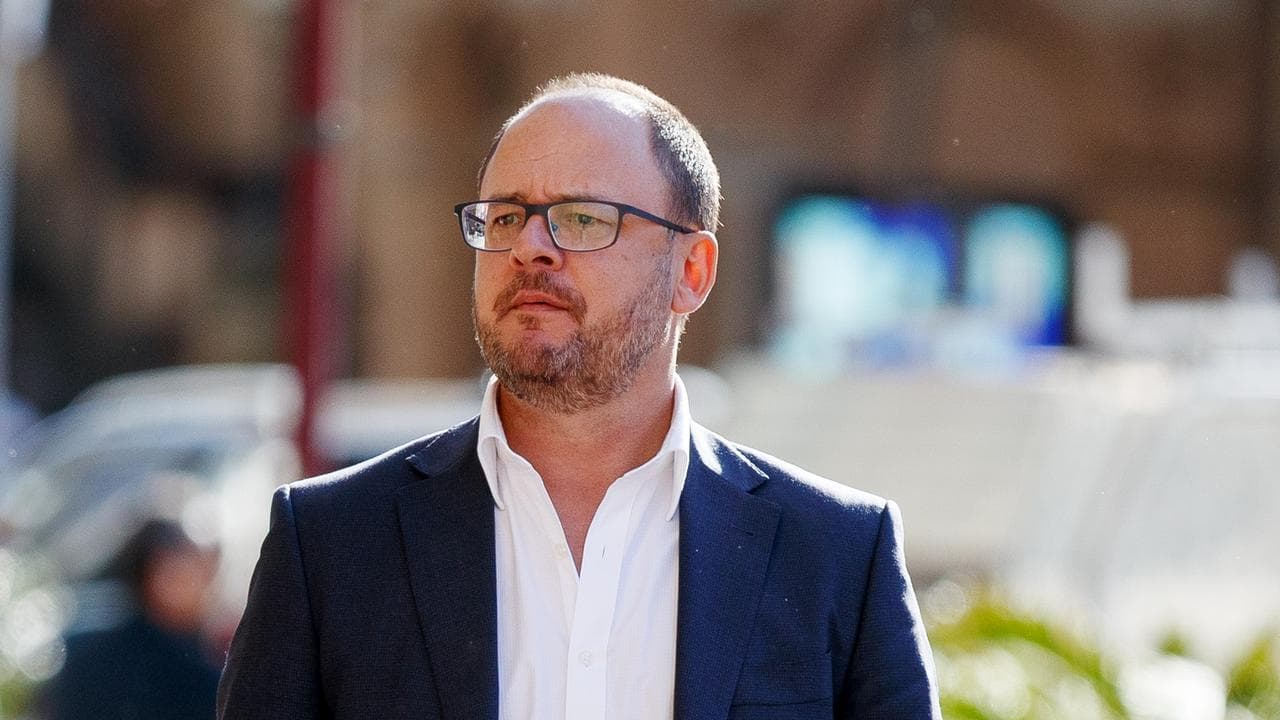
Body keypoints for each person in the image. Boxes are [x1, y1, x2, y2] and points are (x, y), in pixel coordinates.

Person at [218, 73, 940, 719]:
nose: (529, 247)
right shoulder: (330, 545)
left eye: (583, 218)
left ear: (691, 271)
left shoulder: (838, 555)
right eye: (505, 217)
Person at [45, 519, 222, 720]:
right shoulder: (97, 659)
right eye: (179, 574)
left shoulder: (204, 667)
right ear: (148, 577)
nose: (203, 583)